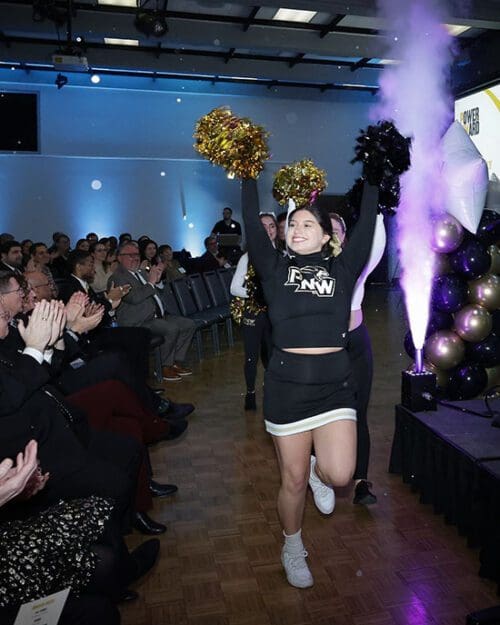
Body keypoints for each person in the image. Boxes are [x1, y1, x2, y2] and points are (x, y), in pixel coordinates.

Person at [242, 177, 378, 589]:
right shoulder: (273, 267)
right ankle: (292, 545)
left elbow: (368, 222)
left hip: (335, 386)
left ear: (325, 236)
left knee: (341, 475)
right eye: (293, 225)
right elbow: (251, 220)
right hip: (287, 389)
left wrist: (372, 178)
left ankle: (322, 470)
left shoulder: (344, 267)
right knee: (293, 480)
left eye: (308, 225)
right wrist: (249, 172)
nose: (297, 230)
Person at [329, 211, 386, 505]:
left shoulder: (356, 265)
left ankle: (362, 481)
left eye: (339, 229)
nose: (335, 234)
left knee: (358, 413)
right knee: (324, 413)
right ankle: (322, 474)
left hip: (357, 343)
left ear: (345, 237)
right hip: (327, 347)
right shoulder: (312, 268)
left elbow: (376, 246)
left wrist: (375, 212)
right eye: (330, 229)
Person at [109, 242, 196, 382]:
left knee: (188, 324)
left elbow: (159, 292)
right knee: (171, 329)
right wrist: (150, 283)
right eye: (130, 255)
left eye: (136, 254)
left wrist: (159, 279)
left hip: (156, 316)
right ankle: (163, 367)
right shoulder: (118, 277)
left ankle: (175, 361)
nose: (135, 258)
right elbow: (134, 298)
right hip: (138, 321)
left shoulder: (142, 272)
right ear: (119, 258)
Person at [230, 213, 276, 411]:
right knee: (251, 356)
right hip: (253, 312)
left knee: (273, 354)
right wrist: (256, 294)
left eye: (272, 226)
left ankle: (273, 389)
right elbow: (234, 288)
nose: (268, 230)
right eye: (263, 226)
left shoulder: (281, 255)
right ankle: (250, 393)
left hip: (274, 315)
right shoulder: (247, 257)